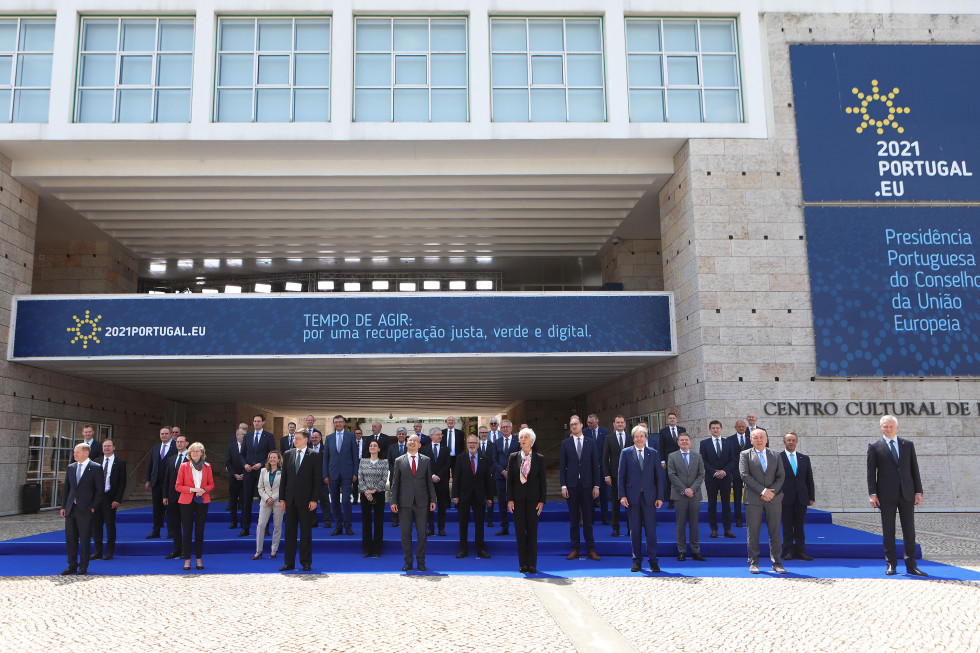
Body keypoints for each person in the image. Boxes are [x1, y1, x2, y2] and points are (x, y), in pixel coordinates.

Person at [868, 415, 926, 576]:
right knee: (888, 530)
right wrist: (872, 494)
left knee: (909, 530)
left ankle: (911, 565)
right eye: (885, 426)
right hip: (886, 494)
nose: (888, 429)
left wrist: (918, 491)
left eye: (891, 426)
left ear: (897, 427)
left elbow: (914, 469)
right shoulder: (875, 446)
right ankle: (891, 564)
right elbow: (871, 472)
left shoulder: (907, 445)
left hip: (907, 493)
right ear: (881, 427)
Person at [618, 425, 666, 572]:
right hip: (632, 498)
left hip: (650, 498)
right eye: (636, 437)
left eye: (642, 436)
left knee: (651, 531)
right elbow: (621, 476)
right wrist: (622, 495)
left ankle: (653, 561)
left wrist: (659, 497)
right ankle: (636, 561)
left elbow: (659, 476)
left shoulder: (654, 453)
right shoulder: (626, 453)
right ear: (633, 439)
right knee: (635, 531)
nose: (639, 439)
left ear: (646, 438)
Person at [740, 429, 786, 574]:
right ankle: (753, 562)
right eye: (755, 438)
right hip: (753, 499)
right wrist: (762, 491)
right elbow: (744, 475)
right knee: (753, 532)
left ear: (766, 439)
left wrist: (770, 492)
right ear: (751, 440)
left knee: (775, 532)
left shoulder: (776, 455)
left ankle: (777, 563)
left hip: (773, 499)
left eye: (761, 437)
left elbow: (781, 476)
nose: (759, 440)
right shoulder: (745, 454)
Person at [390, 434, 436, 572]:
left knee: (422, 534)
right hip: (404, 503)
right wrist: (393, 501)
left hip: (422, 502)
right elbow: (395, 483)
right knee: (405, 534)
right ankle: (408, 562)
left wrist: (433, 499)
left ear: (419, 445)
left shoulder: (426, 460)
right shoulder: (399, 461)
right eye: (410, 440)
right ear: (406, 443)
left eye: (415, 441)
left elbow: (429, 482)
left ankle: (421, 562)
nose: (412, 442)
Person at [559, 415, 601, 561]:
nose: (574, 427)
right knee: (574, 519)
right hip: (571, 486)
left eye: (576, 424)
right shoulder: (566, 443)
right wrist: (563, 485)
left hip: (587, 486)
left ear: (582, 425)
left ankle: (591, 549)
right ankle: (575, 548)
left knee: (588, 518)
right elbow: (562, 466)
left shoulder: (591, 443)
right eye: (572, 425)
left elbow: (595, 465)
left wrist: (596, 485)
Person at [279, 429, 321, 571]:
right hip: (290, 500)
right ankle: (288, 562)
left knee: (305, 533)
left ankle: (306, 562)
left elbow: (317, 480)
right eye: (294, 438)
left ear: (305, 439)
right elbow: (284, 478)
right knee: (289, 533)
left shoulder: (314, 455)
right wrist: (282, 499)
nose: (294, 441)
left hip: (306, 501)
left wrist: (314, 499)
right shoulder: (288, 454)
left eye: (297, 438)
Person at [507, 428, 546, 573]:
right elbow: (509, 481)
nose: (522, 440)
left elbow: (542, 481)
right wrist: (509, 499)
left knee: (532, 532)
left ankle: (532, 564)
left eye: (525, 437)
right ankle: (523, 564)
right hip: (517, 500)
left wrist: (542, 501)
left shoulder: (539, 458)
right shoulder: (513, 457)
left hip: (533, 501)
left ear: (532, 441)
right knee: (519, 532)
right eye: (521, 437)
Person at [60, 443, 103, 575]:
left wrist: (93, 507)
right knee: (70, 538)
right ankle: (72, 564)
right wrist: (63, 506)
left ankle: (83, 566)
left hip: (86, 509)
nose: (74, 454)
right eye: (74, 452)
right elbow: (66, 488)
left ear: (86, 453)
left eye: (77, 452)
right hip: (71, 509)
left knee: (84, 538)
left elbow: (99, 491)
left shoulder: (95, 468)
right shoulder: (71, 467)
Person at [175, 442, 215, 571]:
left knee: (199, 531)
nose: (196, 453)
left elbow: (211, 484)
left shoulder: (207, 466)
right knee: (187, 531)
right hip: (187, 500)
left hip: (202, 500)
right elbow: (178, 486)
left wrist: (203, 489)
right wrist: (193, 489)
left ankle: (199, 559)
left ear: (202, 453)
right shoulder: (183, 466)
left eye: (198, 451)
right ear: (190, 453)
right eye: (193, 451)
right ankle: (187, 560)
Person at [453, 435, 494, 559]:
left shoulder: (485, 459)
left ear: (478, 444)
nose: (472, 445)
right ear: (467, 444)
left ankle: (480, 549)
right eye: (470, 443)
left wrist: (489, 497)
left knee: (480, 523)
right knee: (463, 523)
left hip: (479, 496)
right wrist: (454, 495)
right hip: (463, 496)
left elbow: (488, 480)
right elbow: (456, 478)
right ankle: (463, 549)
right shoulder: (460, 458)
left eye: (474, 443)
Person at [667, 433, 705, 562]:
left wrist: (692, 489)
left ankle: (696, 551)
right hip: (679, 495)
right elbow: (672, 475)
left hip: (694, 495)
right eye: (681, 440)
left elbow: (701, 474)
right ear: (678, 442)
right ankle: (681, 551)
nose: (684, 442)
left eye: (686, 440)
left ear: (690, 442)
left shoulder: (697, 456)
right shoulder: (672, 456)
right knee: (680, 524)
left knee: (694, 524)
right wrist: (684, 490)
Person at [780, 432, 815, 561]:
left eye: (793, 440)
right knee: (787, 525)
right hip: (785, 497)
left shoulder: (804, 458)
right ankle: (788, 551)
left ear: (797, 442)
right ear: (784, 442)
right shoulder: (778, 457)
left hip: (801, 497)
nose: (791, 442)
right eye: (788, 440)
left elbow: (809, 479)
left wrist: (811, 496)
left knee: (800, 526)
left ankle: (801, 551)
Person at [700, 420, 737, 539]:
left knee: (726, 504)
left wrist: (724, 471)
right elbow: (703, 460)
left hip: (725, 477)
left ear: (721, 429)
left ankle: (727, 529)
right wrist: (714, 472)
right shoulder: (704, 443)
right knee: (712, 504)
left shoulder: (729, 442)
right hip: (711, 478)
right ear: (710, 429)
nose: (715, 430)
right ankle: (714, 529)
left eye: (717, 428)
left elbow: (733, 460)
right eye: (713, 428)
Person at [92, 439, 126, 561]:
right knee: (96, 525)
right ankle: (98, 551)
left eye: (109, 446)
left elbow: (122, 483)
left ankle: (109, 551)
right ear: (102, 448)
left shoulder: (120, 463)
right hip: (97, 498)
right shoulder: (96, 462)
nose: (106, 448)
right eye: (104, 446)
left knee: (110, 525)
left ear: (114, 447)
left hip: (110, 498)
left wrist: (117, 499)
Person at [242, 415, 275, 537]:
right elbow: (242, 454)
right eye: (254, 421)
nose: (256, 423)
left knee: (264, 500)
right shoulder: (247, 436)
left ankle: (265, 529)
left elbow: (272, 454)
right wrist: (245, 464)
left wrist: (261, 464)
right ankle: (245, 528)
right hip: (248, 472)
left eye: (259, 421)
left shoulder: (269, 436)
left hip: (262, 472)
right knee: (246, 501)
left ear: (263, 422)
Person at [324, 414, 357, 535]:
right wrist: (325, 474)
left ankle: (348, 526)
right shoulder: (329, 438)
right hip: (332, 474)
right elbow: (326, 458)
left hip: (347, 473)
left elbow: (355, 456)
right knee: (335, 500)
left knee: (347, 500)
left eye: (340, 422)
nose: (338, 424)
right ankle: (338, 526)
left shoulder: (351, 436)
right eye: (336, 422)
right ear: (334, 424)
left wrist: (355, 472)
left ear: (344, 423)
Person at [601, 415, 632, 537]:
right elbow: (604, 458)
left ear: (625, 424)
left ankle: (630, 528)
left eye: (622, 422)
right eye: (617, 422)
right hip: (614, 476)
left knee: (630, 503)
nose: (620, 424)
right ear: (614, 424)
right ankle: (615, 528)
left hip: (630, 476)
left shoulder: (631, 437)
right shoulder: (609, 438)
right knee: (615, 503)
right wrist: (606, 475)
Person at [358, 440, 389, 558]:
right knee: (366, 522)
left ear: (379, 448)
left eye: (375, 445)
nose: (372, 447)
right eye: (371, 446)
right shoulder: (363, 461)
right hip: (365, 494)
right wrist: (366, 490)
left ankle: (377, 549)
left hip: (378, 494)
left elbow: (384, 478)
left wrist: (374, 490)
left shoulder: (384, 462)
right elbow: (360, 477)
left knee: (378, 522)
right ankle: (367, 549)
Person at [143, 426, 176, 539]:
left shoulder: (175, 447)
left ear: (171, 434)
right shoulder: (155, 448)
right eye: (162, 434)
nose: (163, 436)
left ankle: (171, 531)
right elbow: (150, 465)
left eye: (166, 434)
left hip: (170, 483)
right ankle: (156, 531)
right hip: (156, 482)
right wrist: (148, 480)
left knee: (170, 508)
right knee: (157, 508)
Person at [162, 435, 189, 559]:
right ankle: (177, 548)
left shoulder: (191, 459)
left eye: (181, 442)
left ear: (187, 443)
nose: (179, 444)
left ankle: (185, 550)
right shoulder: (171, 459)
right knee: (175, 524)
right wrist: (165, 495)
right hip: (172, 496)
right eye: (177, 442)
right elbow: (167, 479)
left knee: (186, 523)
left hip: (186, 496)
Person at [421, 427, 451, 536]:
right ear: (431, 436)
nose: (440, 436)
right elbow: (424, 465)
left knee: (442, 506)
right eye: (438, 434)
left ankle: (441, 528)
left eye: (441, 435)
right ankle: (430, 528)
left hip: (442, 481)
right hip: (428, 481)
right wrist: (432, 475)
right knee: (429, 505)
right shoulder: (424, 449)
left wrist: (439, 476)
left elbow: (447, 464)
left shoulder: (446, 449)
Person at [491, 420, 520, 535]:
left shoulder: (517, 440)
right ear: (500, 429)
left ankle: (519, 526)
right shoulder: (497, 442)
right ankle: (504, 527)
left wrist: (511, 471)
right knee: (502, 503)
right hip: (500, 477)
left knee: (517, 502)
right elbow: (494, 459)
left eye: (507, 427)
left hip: (515, 477)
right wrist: (503, 471)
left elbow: (521, 457)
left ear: (511, 428)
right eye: (503, 427)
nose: (505, 429)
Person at [254, 450, 284, 559]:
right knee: (261, 525)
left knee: (277, 526)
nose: (272, 459)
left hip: (277, 502)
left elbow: (283, 487)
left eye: (275, 457)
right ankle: (258, 550)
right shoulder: (263, 471)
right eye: (270, 457)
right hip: (265, 502)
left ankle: (274, 550)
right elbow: (260, 487)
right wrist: (267, 498)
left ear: (279, 459)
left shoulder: (283, 471)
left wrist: (273, 497)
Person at [584, 414, 610, 525]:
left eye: (591, 423)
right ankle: (591, 517)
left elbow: (606, 450)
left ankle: (605, 517)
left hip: (602, 467)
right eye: (588, 423)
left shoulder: (605, 432)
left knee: (603, 494)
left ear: (597, 422)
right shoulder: (584, 432)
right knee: (590, 495)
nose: (589, 425)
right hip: (589, 468)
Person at [727, 419, 752, 527]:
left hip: (751, 472)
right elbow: (729, 457)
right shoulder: (730, 440)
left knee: (751, 496)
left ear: (746, 428)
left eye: (743, 427)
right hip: (736, 472)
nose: (741, 428)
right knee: (737, 496)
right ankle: (738, 519)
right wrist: (731, 471)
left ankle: (751, 518)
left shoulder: (752, 439)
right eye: (739, 427)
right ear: (735, 428)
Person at [307, 429, 331, 529]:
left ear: (320, 438)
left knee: (324, 500)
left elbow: (328, 463)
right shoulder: (307, 449)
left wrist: (327, 476)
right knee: (311, 500)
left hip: (322, 479)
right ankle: (313, 521)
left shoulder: (325, 448)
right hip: (310, 480)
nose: (314, 439)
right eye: (312, 438)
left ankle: (327, 521)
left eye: (316, 437)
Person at [225, 427, 247, 530]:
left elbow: (249, 461)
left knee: (243, 501)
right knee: (233, 501)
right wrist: (234, 474)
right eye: (241, 434)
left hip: (245, 477)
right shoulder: (231, 446)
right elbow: (228, 462)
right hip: (233, 478)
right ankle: (233, 522)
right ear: (237, 435)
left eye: (244, 434)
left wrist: (243, 474)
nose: (243, 436)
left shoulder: (248, 447)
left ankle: (244, 523)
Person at [387, 427, 409, 527]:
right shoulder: (392, 447)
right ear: (397, 436)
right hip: (394, 477)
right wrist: (395, 471)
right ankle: (395, 519)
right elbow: (389, 461)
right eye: (399, 434)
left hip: (407, 478)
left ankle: (404, 519)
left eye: (403, 434)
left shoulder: (410, 447)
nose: (401, 435)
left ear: (405, 436)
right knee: (394, 498)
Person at [477, 425, 495, 526]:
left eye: (485, 433)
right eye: (482, 433)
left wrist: (490, 472)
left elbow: (494, 460)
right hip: (478, 477)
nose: (484, 434)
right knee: (479, 499)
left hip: (490, 476)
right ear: (479, 434)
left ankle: (490, 519)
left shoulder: (493, 445)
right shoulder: (475, 445)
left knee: (490, 498)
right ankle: (479, 518)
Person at [352, 426, 367, 505]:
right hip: (354, 464)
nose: (358, 434)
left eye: (359, 433)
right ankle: (355, 499)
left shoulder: (365, 443)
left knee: (363, 483)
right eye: (356, 433)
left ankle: (363, 499)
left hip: (363, 463)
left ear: (362, 434)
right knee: (354, 483)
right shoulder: (352, 443)